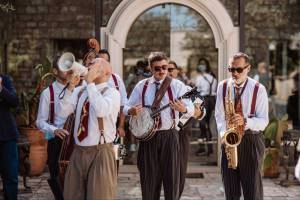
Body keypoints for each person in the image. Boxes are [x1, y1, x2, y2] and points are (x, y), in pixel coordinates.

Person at [124, 52, 194, 200]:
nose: (162, 71)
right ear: (150, 68)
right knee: (148, 181)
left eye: (165, 67)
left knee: (172, 180)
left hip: (169, 136)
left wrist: (183, 109)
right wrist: (130, 110)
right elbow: (126, 106)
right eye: (157, 68)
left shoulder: (177, 85)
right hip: (147, 138)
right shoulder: (141, 86)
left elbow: (192, 107)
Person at [59, 58, 120, 199]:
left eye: (94, 65)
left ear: (107, 72)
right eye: (89, 64)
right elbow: (61, 113)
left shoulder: (112, 93)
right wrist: (70, 88)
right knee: (71, 195)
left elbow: (101, 110)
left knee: (99, 195)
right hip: (78, 151)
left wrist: (90, 84)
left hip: (101, 152)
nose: (89, 66)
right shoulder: (80, 91)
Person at [215, 52, 269, 200]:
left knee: (252, 191)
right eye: (231, 69)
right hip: (229, 139)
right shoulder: (223, 86)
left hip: (251, 140)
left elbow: (264, 121)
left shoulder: (259, 89)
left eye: (239, 70)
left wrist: (246, 121)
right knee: (230, 191)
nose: (235, 73)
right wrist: (223, 135)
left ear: (248, 68)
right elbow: (219, 115)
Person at [168, 60, 205, 197]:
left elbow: (201, 113)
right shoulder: (157, 91)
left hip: (181, 134)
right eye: (167, 69)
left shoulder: (190, 91)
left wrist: (187, 111)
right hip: (162, 135)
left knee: (179, 169)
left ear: (177, 71)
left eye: (172, 69)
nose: (169, 72)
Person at [36, 56, 69, 200]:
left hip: (76, 141)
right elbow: (40, 122)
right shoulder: (47, 93)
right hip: (57, 140)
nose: (68, 70)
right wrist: (54, 130)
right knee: (57, 177)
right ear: (55, 71)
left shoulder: (80, 89)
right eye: (63, 67)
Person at [0, 73, 19, 200]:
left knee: (11, 177)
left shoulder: (5, 80)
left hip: (7, 136)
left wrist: (1, 89)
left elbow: (14, 101)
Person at [194, 58, 217, 156]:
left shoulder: (199, 78)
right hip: (212, 100)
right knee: (208, 125)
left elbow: (197, 91)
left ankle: (202, 147)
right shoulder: (214, 79)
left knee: (202, 124)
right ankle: (209, 147)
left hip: (203, 100)